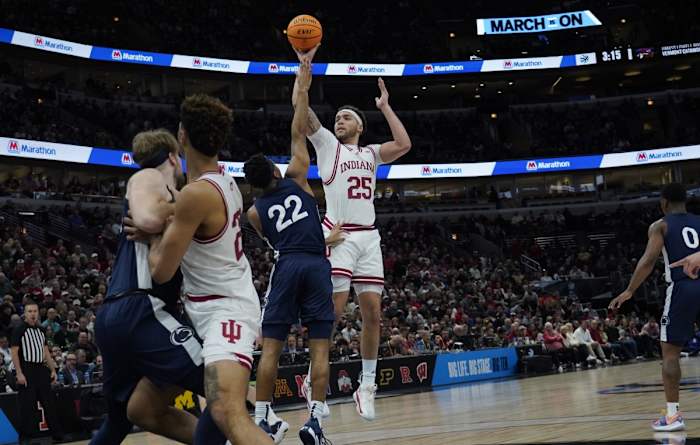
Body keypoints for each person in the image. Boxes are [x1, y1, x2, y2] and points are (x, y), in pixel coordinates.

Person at [145, 94, 273, 444]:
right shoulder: (226, 180)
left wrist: (150, 234)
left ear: (182, 135)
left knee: (225, 410)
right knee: (142, 408)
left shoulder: (195, 195)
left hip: (224, 310)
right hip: (205, 308)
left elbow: (161, 272)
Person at [293, 44, 412, 421]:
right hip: (340, 234)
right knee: (335, 311)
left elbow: (405, 144)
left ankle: (367, 385)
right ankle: (312, 377)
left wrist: (385, 107)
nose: (340, 120)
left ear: (359, 126)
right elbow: (304, 113)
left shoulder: (372, 153)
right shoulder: (328, 145)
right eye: (339, 117)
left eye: (346, 118)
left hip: (369, 237)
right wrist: (303, 77)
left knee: (374, 315)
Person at [91, 129, 224, 445]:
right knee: (222, 388)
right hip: (141, 309)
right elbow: (150, 218)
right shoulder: (151, 177)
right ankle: (263, 428)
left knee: (123, 419)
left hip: (117, 316)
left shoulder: (170, 199)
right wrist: (177, 206)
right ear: (173, 157)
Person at [244, 58, 339, 445]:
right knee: (320, 349)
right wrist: (303, 80)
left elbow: (278, 239)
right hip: (316, 266)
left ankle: (265, 417)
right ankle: (314, 420)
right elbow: (298, 124)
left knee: (271, 349)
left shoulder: (253, 212)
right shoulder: (298, 173)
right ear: (275, 170)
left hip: (287, 267)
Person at [610, 183, 700, 432]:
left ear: (663, 202)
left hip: (683, 287)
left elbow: (648, 261)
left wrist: (629, 290)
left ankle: (672, 416)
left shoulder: (660, 225)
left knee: (670, 354)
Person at [10, 302, 63, 441]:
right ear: (25, 314)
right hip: (27, 369)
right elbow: (14, 353)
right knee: (28, 406)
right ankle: (26, 438)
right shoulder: (19, 330)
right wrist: (19, 373)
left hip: (41, 369)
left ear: (38, 313)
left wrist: (53, 370)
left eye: (35, 311)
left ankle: (57, 435)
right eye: (30, 311)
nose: (33, 314)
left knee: (49, 403)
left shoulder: (41, 330)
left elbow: (46, 352)